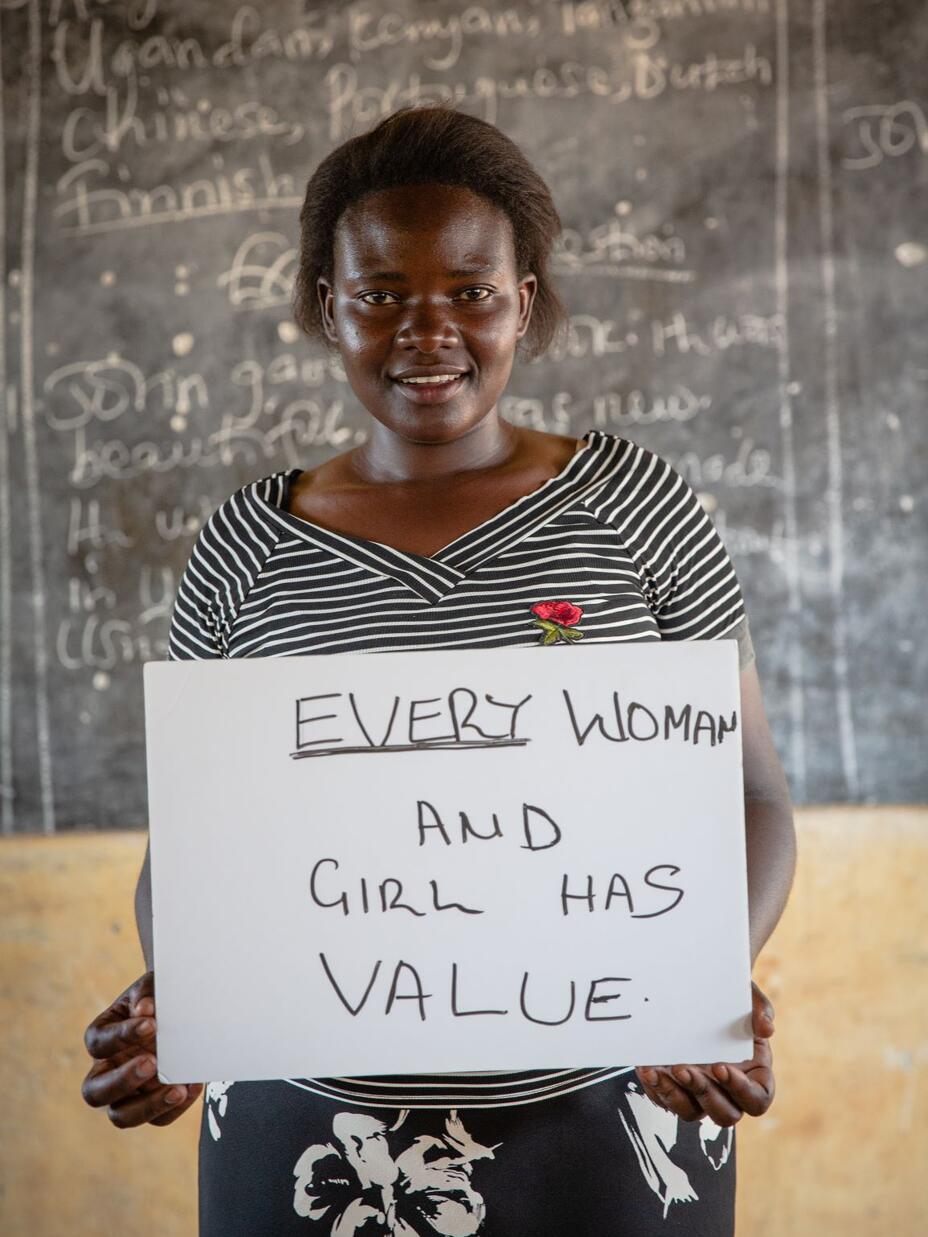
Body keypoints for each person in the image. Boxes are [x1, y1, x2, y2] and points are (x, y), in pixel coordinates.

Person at [81, 104, 796, 1234]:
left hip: (613, 1117)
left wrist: (701, 983)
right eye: (381, 295)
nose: (428, 331)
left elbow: (751, 798)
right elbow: (194, 848)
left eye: (471, 290)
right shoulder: (244, 548)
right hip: (309, 1132)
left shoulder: (638, 511)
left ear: (524, 301)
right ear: (329, 306)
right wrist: (182, 995)